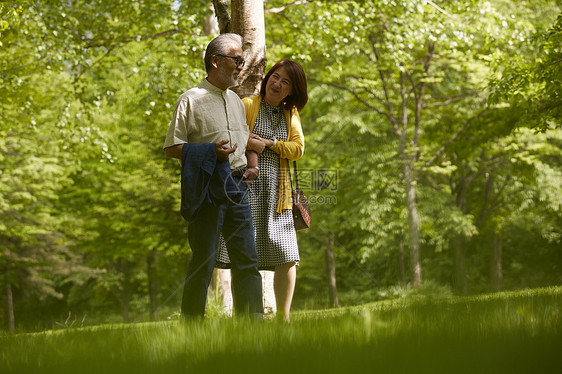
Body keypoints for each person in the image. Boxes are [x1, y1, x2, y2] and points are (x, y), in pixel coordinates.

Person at [163, 33, 264, 319]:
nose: (240, 66)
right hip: (207, 186)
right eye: (237, 60)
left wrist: (251, 161)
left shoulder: (235, 100)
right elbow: (171, 147)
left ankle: (252, 324)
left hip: (238, 185)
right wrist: (210, 152)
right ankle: (193, 324)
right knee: (204, 260)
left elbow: (243, 141)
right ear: (216, 61)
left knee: (247, 259)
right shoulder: (190, 100)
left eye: (243, 61)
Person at [217, 59, 308, 322]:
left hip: (278, 194)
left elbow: (297, 149)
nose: (277, 83)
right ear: (268, 78)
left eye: (286, 82)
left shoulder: (291, 114)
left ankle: (284, 318)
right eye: (275, 77)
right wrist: (250, 144)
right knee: (242, 254)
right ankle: (244, 316)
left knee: (288, 255)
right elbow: (232, 134)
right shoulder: (247, 105)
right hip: (246, 190)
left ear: (292, 90)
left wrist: (268, 142)